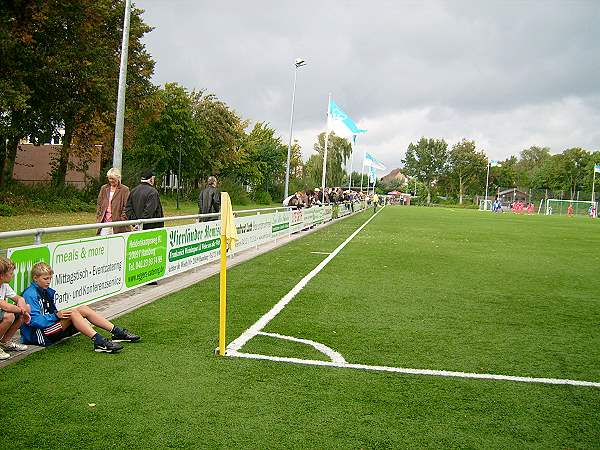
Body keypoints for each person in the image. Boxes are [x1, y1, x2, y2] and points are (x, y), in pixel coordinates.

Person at [20, 262, 140, 353]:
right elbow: (34, 321)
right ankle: (99, 341)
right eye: (45, 279)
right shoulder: (30, 294)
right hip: (39, 336)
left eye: (50, 278)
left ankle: (117, 332)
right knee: (72, 313)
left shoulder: (45, 290)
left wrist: (56, 315)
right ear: (35, 278)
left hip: (49, 329)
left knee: (82, 308)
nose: (48, 281)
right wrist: (56, 315)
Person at [0, 257, 31, 360]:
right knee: (9, 316)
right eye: (10, 273)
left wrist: (23, 307)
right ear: (1, 275)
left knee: (24, 309)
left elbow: (19, 298)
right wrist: (23, 310)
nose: (12, 276)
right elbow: (5, 306)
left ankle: (5, 342)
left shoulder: (4, 285)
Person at [96, 167, 130, 235]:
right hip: (105, 222)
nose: (111, 180)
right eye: (109, 178)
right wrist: (99, 216)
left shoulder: (124, 189)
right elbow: (99, 203)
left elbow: (127, 206)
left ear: (118, 178)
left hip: (118, 224)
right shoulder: (104, 188)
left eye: (113, 179)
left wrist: (122, 219)